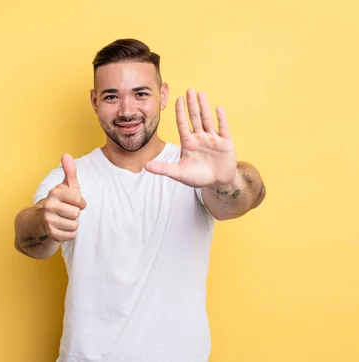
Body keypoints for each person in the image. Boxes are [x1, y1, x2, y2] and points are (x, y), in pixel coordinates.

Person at [14, 38, 266, 362]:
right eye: (111, 96)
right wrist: (46, 223)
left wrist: (225, 179)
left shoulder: (195, 173)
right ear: (94, 102)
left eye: (141, 93)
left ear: (162, 96)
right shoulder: (71, 179)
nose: (127, 110)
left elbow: (247, 196)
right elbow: (26, 237)